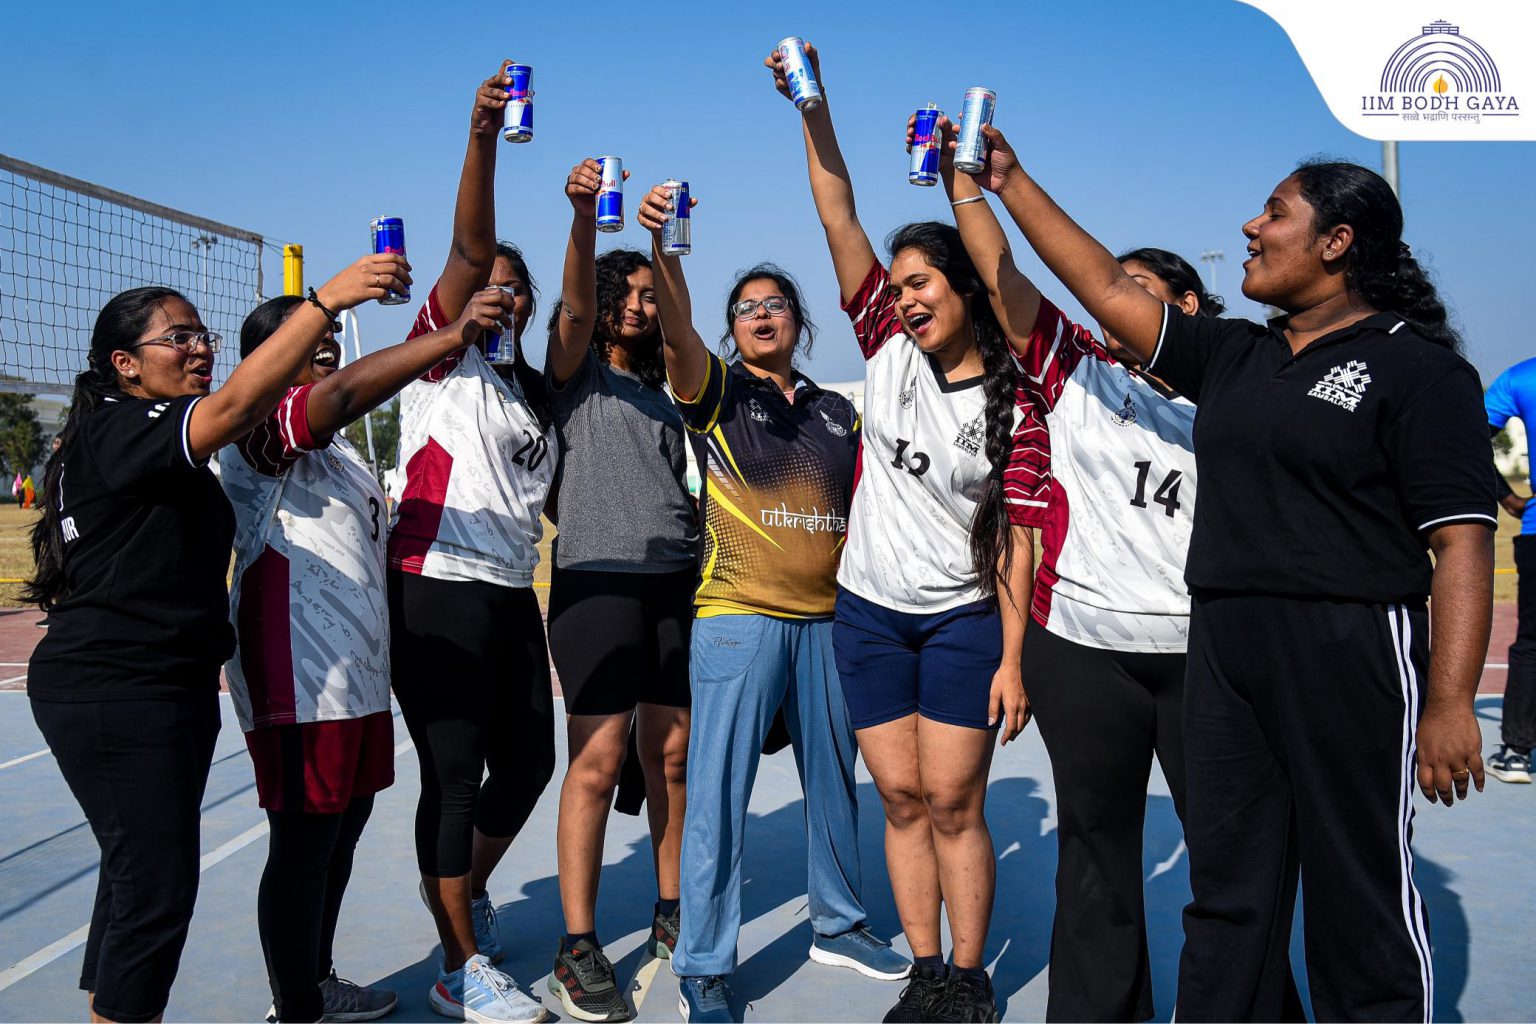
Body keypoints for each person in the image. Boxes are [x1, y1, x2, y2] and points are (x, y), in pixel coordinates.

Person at [970, 119, 1495, 1021]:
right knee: (1229, 890)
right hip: (1223, 647)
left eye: (1274, 213)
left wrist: (1448, 703)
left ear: (1337, 242)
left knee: (1357, 887)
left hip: (1349, 647)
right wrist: (1009, 180)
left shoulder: (1418, 368)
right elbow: (1102, 286)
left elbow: (1462, 543)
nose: (1251, 227)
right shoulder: (1237, 356)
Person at [24, 254, 406, 1024]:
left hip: (161, 685)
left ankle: (113, 1007)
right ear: (125, 364)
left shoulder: (128, 435)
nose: (199, 347)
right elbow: (237, 407)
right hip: (117, 688)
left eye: (202, 334)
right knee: (157, 892)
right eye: (178, 337)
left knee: (136, 880)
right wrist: (327, 301)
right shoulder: (124, 426)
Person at [767, 44, 1037, 1024]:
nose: (910, 297)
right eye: (903, 283)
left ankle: (970, 977)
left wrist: (1013, 657)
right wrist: (812, 105)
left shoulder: (1014, 402)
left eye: (927, 282)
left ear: (967, 291)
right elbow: (837, 210)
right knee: (900, 800)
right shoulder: (884, 342)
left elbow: (1014, 539)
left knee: (957, 802)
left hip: (963, 621)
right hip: (870, 616)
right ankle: (927, 971)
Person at [934, 120, 1218, 1020]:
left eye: (1139, 294)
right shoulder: (1078, 375)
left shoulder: (1235, 384)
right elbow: (1005, 279)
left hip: (1207, 655)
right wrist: (966, 182)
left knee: (1230, 854)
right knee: (1096, 853)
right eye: (1110, 294)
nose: (1115, 308)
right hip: (1087, 652)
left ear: (1187, 308)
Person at [636, 186, 912, 1023]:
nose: (762, 315)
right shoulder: (717, 391)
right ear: (732, 330)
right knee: (718, 795)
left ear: (799, 322)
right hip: (738, 615)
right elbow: (676, 335)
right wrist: (665, 251)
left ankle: (840, 923)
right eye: (747, 308)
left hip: (829, 624)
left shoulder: (837, 412)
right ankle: (704, 965)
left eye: (776, 304)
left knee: (836, 783)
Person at [226, 277, 517, 1023]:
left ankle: (316, 978)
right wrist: (451, 336)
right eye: (307, 335)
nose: (327, 342)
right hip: (298, 672)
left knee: (342, 830)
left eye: (328, 334)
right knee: (303, 840)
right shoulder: (258, 426)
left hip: (357, 676)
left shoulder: (345, 457)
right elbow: (343, 395)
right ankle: (295, 1005)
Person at [385, 64, 557, 1024]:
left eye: (513, 288)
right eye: (487, 286)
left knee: (529, 762)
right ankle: (459, 963)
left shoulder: (532, 392)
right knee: (453, 775)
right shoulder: (436, 358)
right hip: (434, 580)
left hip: (507, 587)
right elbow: (466, 244)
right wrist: (484, 134)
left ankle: (464, 890)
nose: (500, 295)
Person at [542, 160, 699, 1024]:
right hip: (596, 583)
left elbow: (681, 323)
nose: (640, 306)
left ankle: (672, 909)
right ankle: (577, 944)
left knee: (671, 757)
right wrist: (584, 220)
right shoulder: (575, 375)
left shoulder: (667, 386)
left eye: (649, 295)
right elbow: (570, 313)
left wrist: (665, 246)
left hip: (676, 582)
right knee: (598, 764)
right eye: (627, 294)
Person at [1484, 359, 1536, 784]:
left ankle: (1516, 752)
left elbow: (1469, 437)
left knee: (1532, 643)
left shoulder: (1523, 376)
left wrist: (1506, 496)